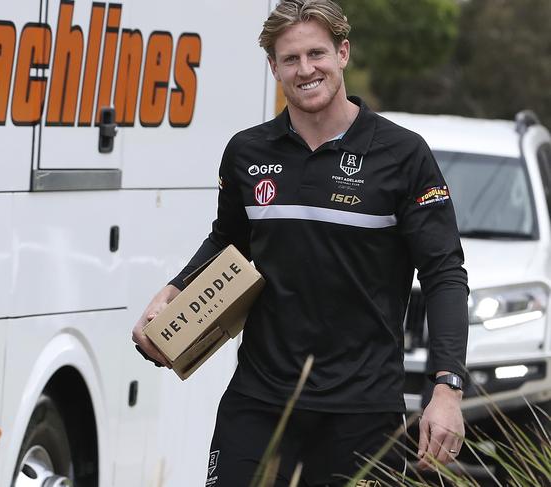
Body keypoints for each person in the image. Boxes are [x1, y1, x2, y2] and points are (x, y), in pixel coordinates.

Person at [132, 0, 469, 485]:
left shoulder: (403, 155)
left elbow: (444, 275)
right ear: (274, 67)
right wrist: (173, 293)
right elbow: (229, 244)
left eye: (317, 54)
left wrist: (447, 389)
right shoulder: (247, 152)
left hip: (362, 412)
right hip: (260, 400)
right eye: (290, 59)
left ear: (343, 53)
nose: (305, 69)